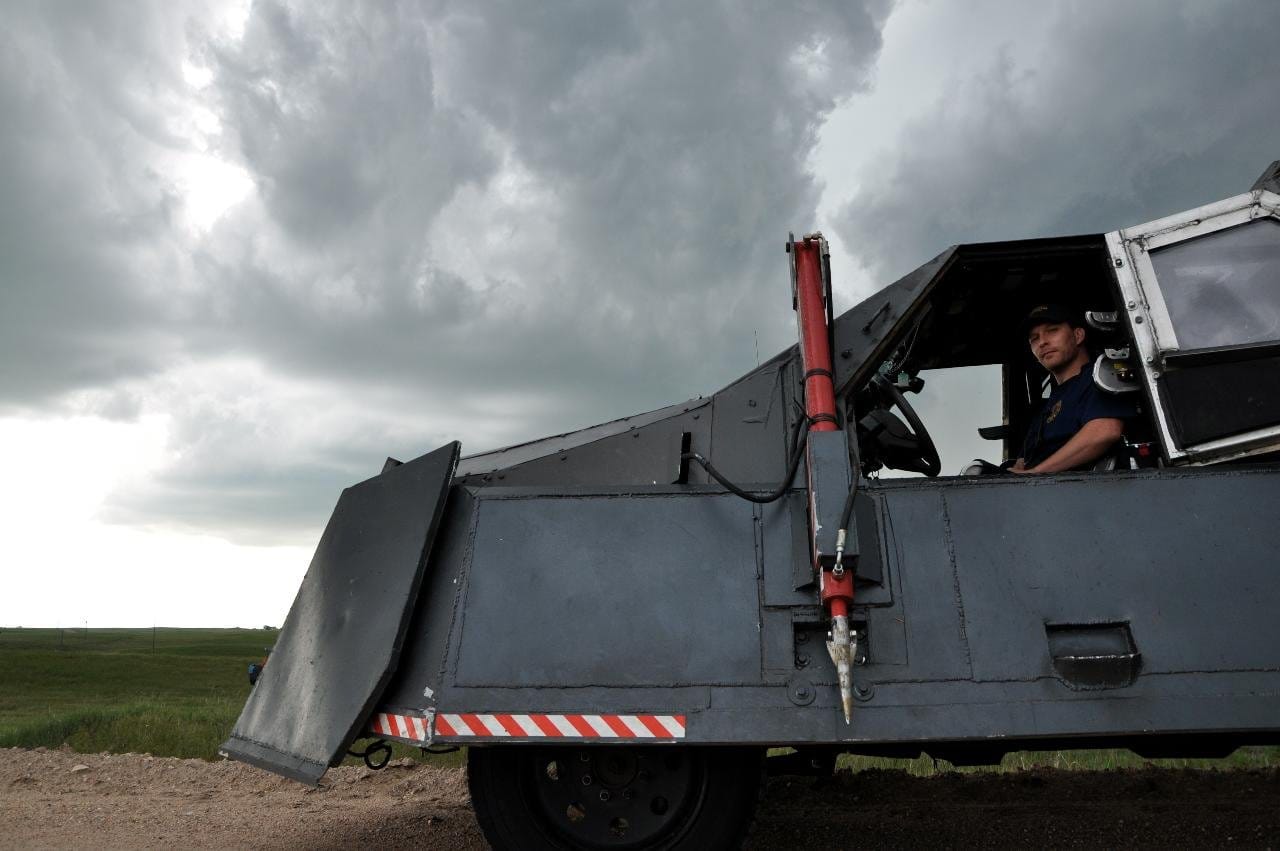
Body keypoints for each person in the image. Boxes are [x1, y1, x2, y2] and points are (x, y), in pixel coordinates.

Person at [1010, 304, 1140, 474]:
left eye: (1052, 330)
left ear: (1078, 335)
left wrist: (1038, 473)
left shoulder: (1099, 378)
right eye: (1034, 338)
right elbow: (1023, 461)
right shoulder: (1045, 407)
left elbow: (1104, 431)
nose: (1042, 342)